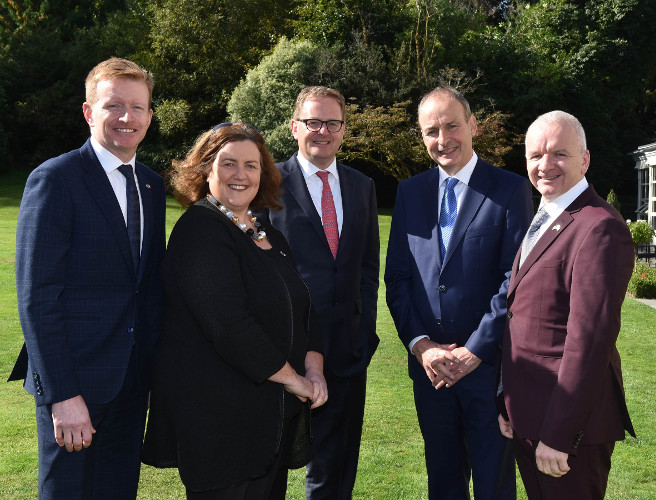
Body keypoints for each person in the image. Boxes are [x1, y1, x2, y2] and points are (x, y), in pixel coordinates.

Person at [141, 122, 328, 500]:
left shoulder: (266, 233)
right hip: (220, 423)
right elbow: (229, 324)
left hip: (267, 420)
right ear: (205, 170)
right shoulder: (201, 231)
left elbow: (302, 308)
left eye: (251, 165)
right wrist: (294, 380)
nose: (240, 175)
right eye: (228, 164)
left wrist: (314, 368)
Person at [9, 57, 165, 499]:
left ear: (150, 115)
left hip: (132, 386)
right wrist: (62, 395)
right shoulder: (56, 179)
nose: (126, 118)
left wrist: (152, 376)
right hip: (76, 387)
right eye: (114, 105)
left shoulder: (151, 187)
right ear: (88, 111)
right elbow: (37, 297)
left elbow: (148, 291)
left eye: (138, 108)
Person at [384, 86, 533, 499]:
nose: (442, 138)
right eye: (431, 130)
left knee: (493, 484)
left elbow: (514, 281)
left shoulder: (509, 189)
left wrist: (473, 351)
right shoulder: (409, 193)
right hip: (431, 374)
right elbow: (397, 278)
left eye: (452, 125)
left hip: (487, 371)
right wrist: (422, 346)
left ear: (473, 126)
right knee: (443, 484)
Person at [497, 111, 636, 500]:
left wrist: (559, 435)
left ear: (585, 160)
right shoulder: (547, 214)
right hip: (529, 415)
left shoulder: (598, 227)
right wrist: (509, 401)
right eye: (535, 155)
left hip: (567, 431)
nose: (545, 166)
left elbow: (588, 344)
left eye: (559, 154)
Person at [266, 86, 379, 499]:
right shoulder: (268, 183)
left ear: (344, 130)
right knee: (269, 464)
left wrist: (365, 331)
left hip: (348, 353)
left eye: (333, 123)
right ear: (295, 127)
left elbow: (368, 269)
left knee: (335, 470)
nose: (324, 131)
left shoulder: (362, 186)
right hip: (284, 354)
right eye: (314, 122)